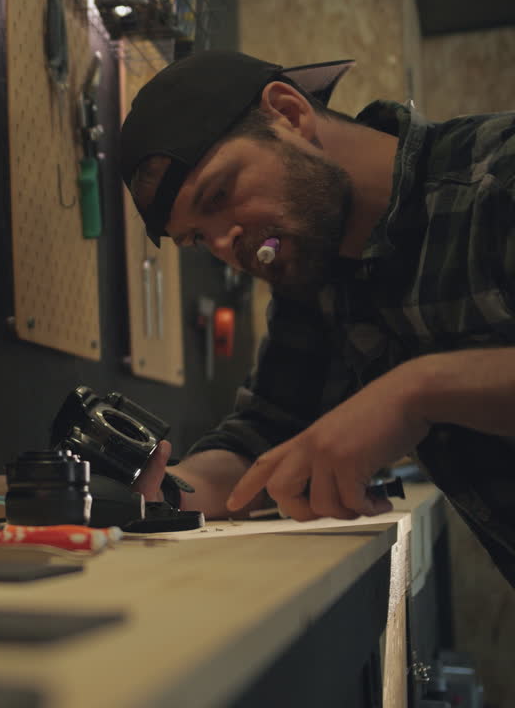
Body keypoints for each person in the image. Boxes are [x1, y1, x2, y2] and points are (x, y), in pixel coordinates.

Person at [121, 50, 515, 587]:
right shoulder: (315, 273)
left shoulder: (499, 179)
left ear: (290, 114)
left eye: (219, 194)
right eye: (196, 239)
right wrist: (166, 491)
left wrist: (416, 393)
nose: (223, 245)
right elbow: (263, 436)